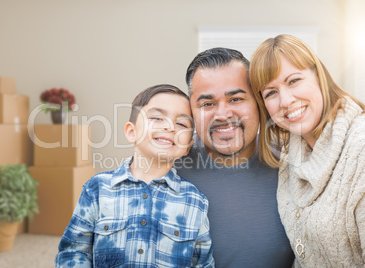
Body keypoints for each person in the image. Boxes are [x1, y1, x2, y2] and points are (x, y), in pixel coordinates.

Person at [55, 84, 214, 267]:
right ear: (132, 132)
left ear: (188, 145)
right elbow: (73, 252)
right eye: (157, 118)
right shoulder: (97, 189)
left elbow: (203, 263)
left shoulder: (195, 200)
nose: (170, 127)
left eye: (181, 123)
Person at [249, 34, 365, 266]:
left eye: (293, 81)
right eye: (271, 92)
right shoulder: (291, 157)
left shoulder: (359, 149)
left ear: (319, 76)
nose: (285, 100)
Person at [175, 47, 295, 267]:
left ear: (258, 103)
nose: (222, 114)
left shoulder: (292, 164)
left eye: (236, 99)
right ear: (191, 111)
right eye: (207, 104)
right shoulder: (169, 170)